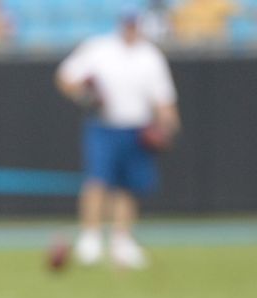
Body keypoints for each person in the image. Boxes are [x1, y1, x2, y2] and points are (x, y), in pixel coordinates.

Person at [56, 8, 178, 270]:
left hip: (137, 127)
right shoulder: (99, 49)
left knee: (127, 187)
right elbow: (65, 77)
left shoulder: (150, 56)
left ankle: (121, 241)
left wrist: (167, 124)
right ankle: (90, 238)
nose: (131, 29)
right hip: (105, 125)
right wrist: (84, 95)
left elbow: (163, 98)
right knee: (98, 180)